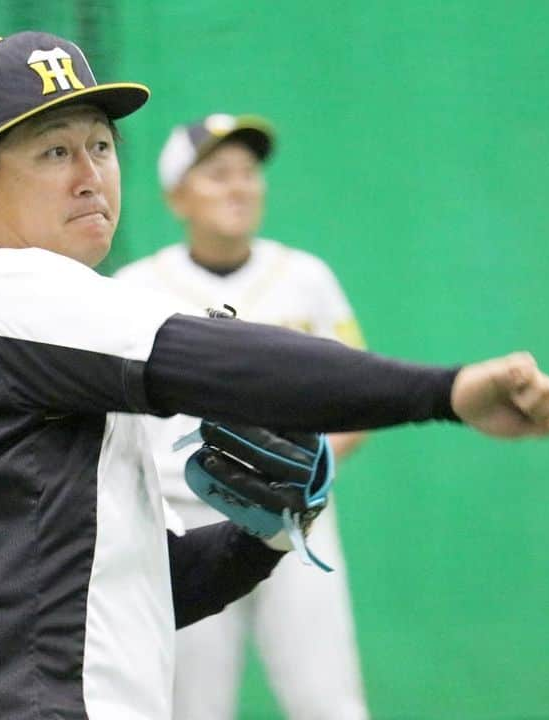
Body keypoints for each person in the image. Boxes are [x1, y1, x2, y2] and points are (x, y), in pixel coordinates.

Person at [0, 30, 549, 720]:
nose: (89, 174)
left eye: (100, 145)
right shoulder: (6, 288)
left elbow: (155, 586)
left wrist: (266, 530)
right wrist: (446, 392)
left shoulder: (20, 325)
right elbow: (217, 364)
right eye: (53, 151)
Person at [115, 113, 370, 719]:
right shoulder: (134, 289)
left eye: (249, 173)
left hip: (294, 519)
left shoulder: (307, 278)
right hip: (185, 524)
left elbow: (361, 395)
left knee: (328, 704)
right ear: (177, 197)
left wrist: (303, 471)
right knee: (192, 710)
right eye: (217, 174)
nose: (239, 186)